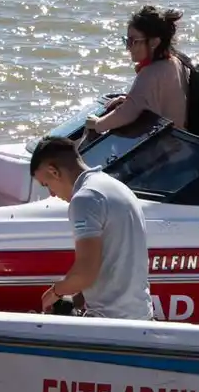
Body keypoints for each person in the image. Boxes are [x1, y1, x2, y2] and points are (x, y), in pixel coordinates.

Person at [30, 136, 154, 320]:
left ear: (54, 172)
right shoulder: (116, 187)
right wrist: (78, 296)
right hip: (140, 316)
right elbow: (114, 259)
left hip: (112, 322)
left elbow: (84, 273)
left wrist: (54, 292)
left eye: (47, 185)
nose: (52, 194)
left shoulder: (85, 199)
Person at [87, 6, 188, 135]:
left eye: (133, 41)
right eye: (127, 41)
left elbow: (127, 114)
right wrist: (131, 99)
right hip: (179, 138)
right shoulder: (176, 62)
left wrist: (97, 124)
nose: (128, 48)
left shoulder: (150, 73)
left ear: (154, 42)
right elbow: (159, 101)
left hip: (165, 143)